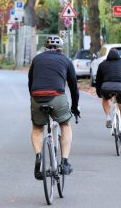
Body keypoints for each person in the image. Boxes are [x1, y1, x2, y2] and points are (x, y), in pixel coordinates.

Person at [28, 35, 80, 180]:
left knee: (37, 128)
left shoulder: (37, 59)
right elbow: (74, 88)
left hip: (36, 96)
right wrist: (75, 108)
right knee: (65, 125)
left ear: (45, 48)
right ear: (60, 49)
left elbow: (30, 82)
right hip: (57, 96)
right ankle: (64, 162)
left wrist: (34, 100)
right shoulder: (66, 60)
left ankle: (39, 157)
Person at [95, 48, 121, 147]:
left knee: (105, 99)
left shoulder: (102, 64)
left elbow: (98, 81)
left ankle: (108, 117)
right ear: (119, 55)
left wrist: (99, 93)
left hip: (106, 87)